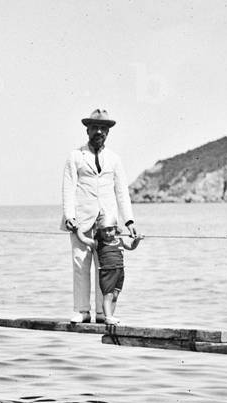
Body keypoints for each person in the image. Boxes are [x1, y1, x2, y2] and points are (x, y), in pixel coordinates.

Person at [61, 108, 139, 323]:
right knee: (80, 263)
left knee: (106, 266)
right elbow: (68, 187)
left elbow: (122, 191)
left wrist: (129, 221)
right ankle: (82, 310)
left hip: (108, 222)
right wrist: (69, 216)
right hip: (81, 220)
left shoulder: (114, 159)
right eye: (95, 127)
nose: (99, 132)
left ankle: (103, 313)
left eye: (103, 129)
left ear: (108, 133)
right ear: (87, 130)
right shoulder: (75, 156)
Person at [73, 212, 143, 326]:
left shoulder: (120, 241)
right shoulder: (98, 243)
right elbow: (84, 239)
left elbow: (132, 247)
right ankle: (108, 317)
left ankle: (111, 316)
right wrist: (77, 230)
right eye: (104, 230)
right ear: (99, 231)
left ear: (116, 229)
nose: (107, 233)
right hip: (106, 273)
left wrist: (137, 240)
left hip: (120, 272)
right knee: (108, 295)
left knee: (115, 295)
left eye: (110, 229)